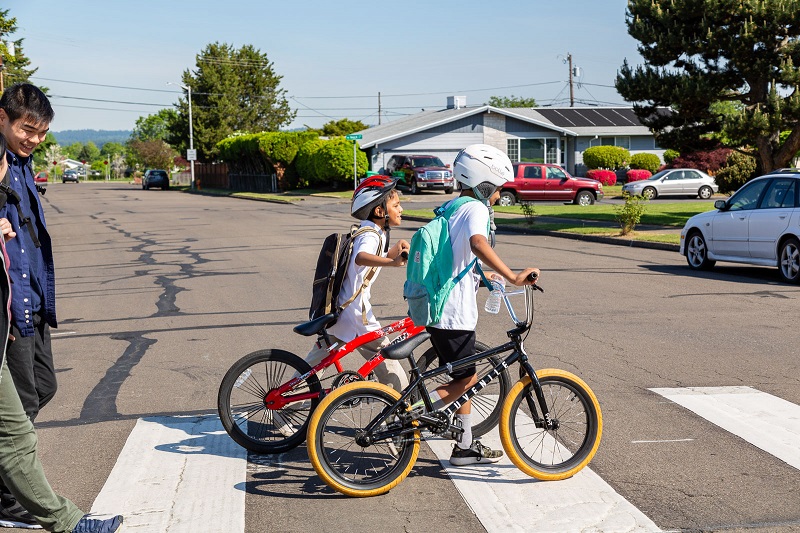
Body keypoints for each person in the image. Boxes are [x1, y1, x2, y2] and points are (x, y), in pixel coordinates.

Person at [0, 132, 123, 532]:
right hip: (11, 312)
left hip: (28, 303)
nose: (34, 139)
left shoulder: (20, 166)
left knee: (42, 389)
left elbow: (30, 246)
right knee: (19, 428)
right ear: (4, 119)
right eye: (26, 129)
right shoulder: (5, 169)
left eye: (41, 131)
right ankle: (29, 507)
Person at [425, 144, 539, 466]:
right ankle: (411, 411)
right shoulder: (474, 208)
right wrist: (514, 277)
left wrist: (484, 276)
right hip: (453, 313)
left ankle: (464, 445)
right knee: (467, 380)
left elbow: (458, 256)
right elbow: (477, 243)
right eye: (498, 189)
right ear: (484, 183)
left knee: (466, 377)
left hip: (443, 309)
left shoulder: (452, 207)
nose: (499, 198)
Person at [304, 176, 410, 391]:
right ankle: (398, 412)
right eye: (396, 205)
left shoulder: (373, 231)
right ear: (380, 212)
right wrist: (393, 261)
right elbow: (361, 258)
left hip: (344, 309)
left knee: (317, 362)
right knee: (387, 363)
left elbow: (370, 260)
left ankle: (286, 401)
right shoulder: (370, 234)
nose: (401, 209)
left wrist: (395, 248)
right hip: (357, 313)